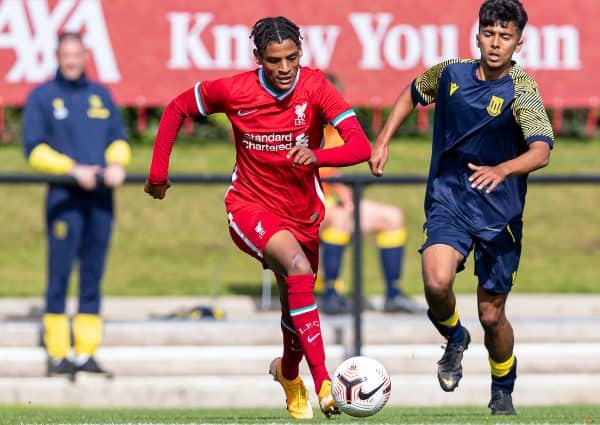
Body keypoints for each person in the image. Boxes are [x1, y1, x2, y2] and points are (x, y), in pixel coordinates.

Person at [144, 16, 371, 419]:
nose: (284, 69)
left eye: (292, 58)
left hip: (303, 214)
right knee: (298, 269)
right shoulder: (234, 90)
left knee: (295, 306)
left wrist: (318, 156)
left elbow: (360, 146)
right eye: (274, 60)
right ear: (258, 58)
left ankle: (288, 373)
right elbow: (178, 106)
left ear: (301, 52)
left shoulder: (316, 85)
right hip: (250, 207)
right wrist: (158, 174)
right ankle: (324, 383)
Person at [370, 0, 553, 415]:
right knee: (435, 283)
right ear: (478, 35)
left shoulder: (522, 90)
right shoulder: (450, 72)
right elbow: (413, 92)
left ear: (518, 43)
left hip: (498, 217)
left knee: (491, 315)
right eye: (489, 34)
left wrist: (504, 169)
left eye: (505, 37)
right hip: (449, 200)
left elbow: (541, 150)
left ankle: (502, 388)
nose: (495, 43)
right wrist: (383, 139)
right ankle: (454, 337)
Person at [23, 32, 131, 379]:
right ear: (57, 56)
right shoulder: (42, 97)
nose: (71, 61)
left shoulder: (100, 95)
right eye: (65, 55)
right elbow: (34, 151)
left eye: (77, 54)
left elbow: (118, 139)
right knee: (59, 275)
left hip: (101, 199)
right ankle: (58, 354)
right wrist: (72, 169)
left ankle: (86, 353)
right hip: (64, 199)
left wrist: (116, 164)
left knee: (93, 276)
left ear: (86, 56)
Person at [318, 74, 424, 315]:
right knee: (341, 219)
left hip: (330, 201)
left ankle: (393, 294)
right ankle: (331, 293)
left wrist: (341, 190)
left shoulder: (335, 129)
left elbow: (332, 170)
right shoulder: (298, 126)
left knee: (392, 217)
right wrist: (340, 191)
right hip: (300, 206)